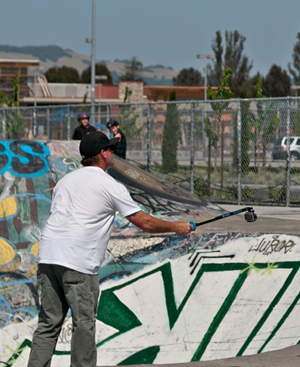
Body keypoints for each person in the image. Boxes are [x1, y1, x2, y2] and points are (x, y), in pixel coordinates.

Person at [28, 131, 194, 367]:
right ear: (102, 154)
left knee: (48, 323)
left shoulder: (65, 181)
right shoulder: (108, 184)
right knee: (83, 323)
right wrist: (176, 226)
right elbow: (144, 222)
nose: (113, 152)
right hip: (78, 263)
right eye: (111, 149)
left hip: (48, 257)